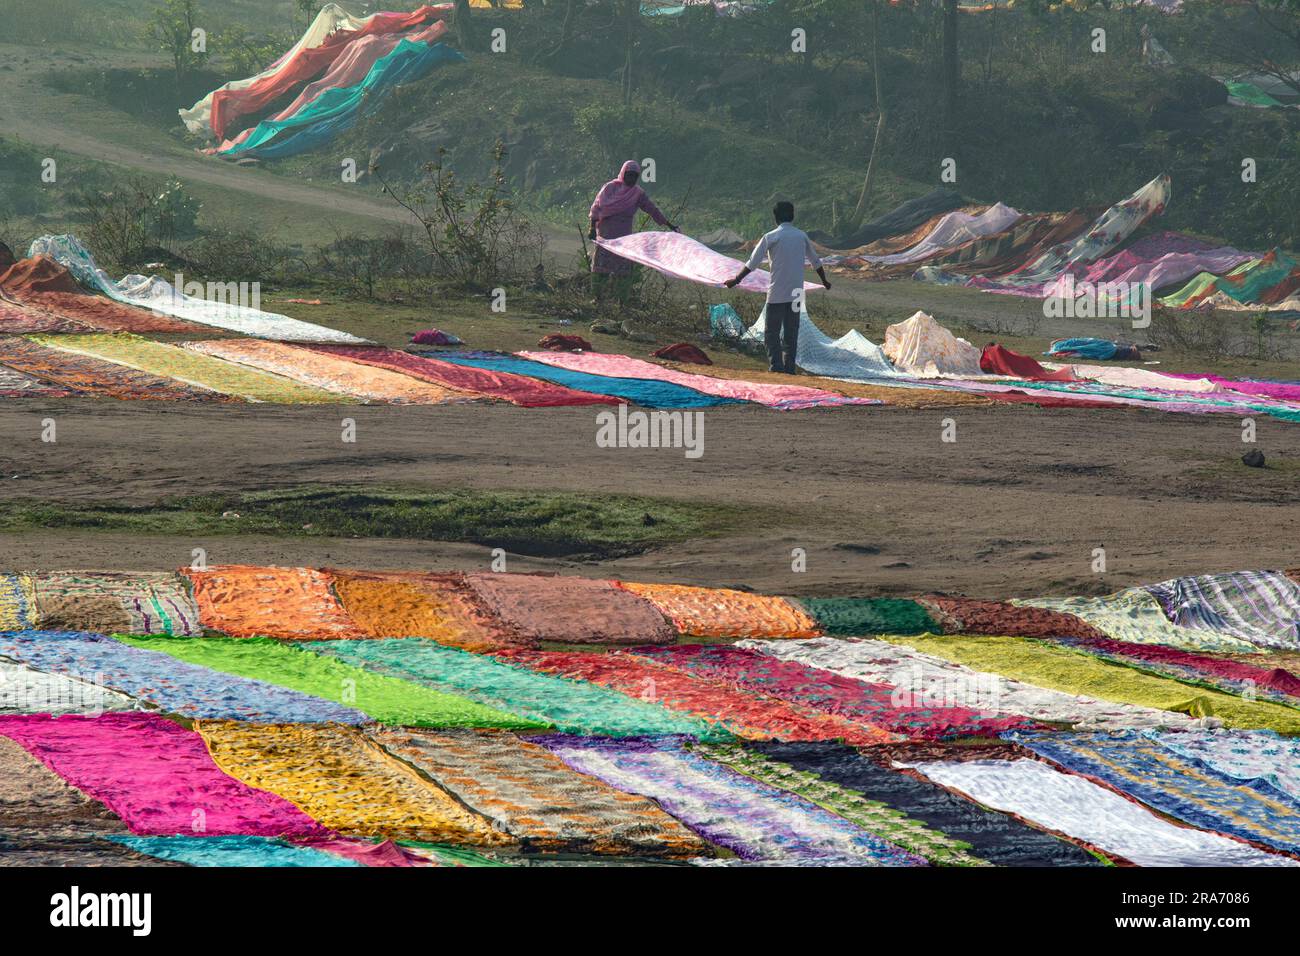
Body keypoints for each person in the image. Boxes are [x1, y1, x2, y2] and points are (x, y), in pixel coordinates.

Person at [725, 201, 830, 374]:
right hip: (797, 293)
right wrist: (825, 281)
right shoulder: (801, 236)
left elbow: (753, 262)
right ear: (793, 216)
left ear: (775, 217)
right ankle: (789, 368)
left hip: (777, 293)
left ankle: (776, 367)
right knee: (792, 332)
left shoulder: (771, 237)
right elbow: (816, 262)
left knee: (771, 332)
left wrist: (736, 280)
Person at [588, 160, 678, 303]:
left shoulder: (637, 194)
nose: (631, 179)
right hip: (605, 236)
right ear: (623, 174)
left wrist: (668, 224)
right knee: (601, 270)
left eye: (634, 176)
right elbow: (596, 207)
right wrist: (592, 227)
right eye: (629, 175)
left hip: (624, 240)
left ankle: (622, 303)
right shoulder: (610, 188)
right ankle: (597, 299)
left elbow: (652, 209)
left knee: (623, 273)